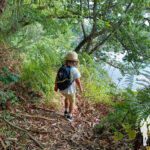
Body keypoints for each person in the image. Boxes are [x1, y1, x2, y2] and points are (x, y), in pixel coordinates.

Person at [54, 51, 83, 121]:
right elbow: (78, 81)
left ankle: (66, 111)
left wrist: (56, 86)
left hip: (63, 90)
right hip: (70, 91)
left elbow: (57, 78)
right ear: (75, 62)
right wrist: (81, 88)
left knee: (66, 98)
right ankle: (69, 116)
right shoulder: (75, 70)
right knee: (72, 102)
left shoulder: (62, 68)